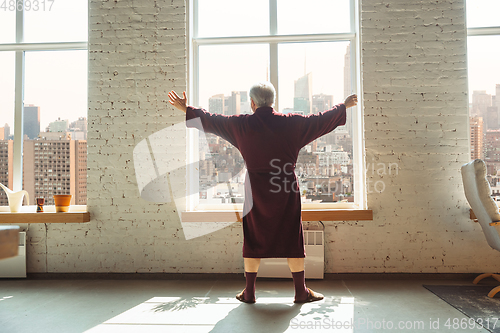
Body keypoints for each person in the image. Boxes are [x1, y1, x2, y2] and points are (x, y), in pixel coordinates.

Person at [168, 82, 357, 303]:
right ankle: (300, 292)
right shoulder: (292, 123)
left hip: (255, 189)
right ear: (273, 101)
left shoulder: (241, 125)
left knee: (253, 237)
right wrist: (343, 106)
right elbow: (320, 120)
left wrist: (186, 109)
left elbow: (212, 120)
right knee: (292, 238)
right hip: (285, 186)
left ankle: (249, 293)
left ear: (252, 102)